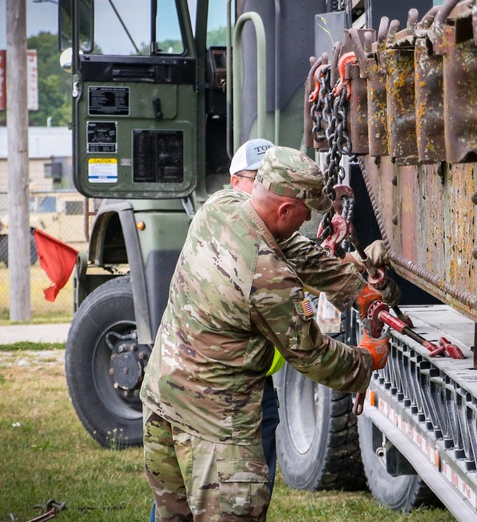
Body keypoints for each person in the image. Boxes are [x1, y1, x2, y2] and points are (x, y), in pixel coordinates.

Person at [140, 146, 398, 521]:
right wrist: (367, 358)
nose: (308, 219)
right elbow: (314, 356)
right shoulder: (268, 279)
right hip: (218, 431)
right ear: (285, 210)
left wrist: (355, 283)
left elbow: (293, 249)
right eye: (306, 212)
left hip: (163, 404)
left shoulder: (221, 207)